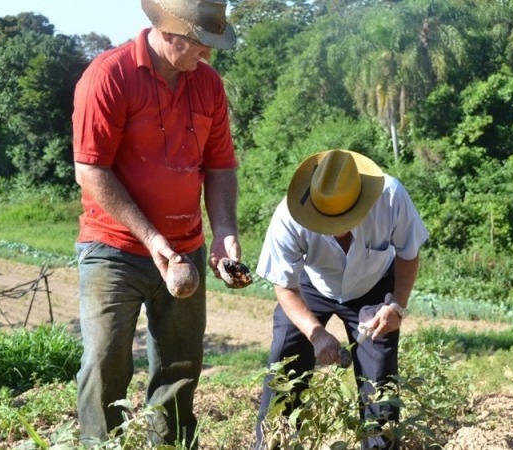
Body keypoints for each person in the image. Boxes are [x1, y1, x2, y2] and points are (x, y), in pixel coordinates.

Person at [71, 0, 242, 447]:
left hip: (186, 246)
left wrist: (224, 233)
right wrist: (152, 239)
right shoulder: (109, 76)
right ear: (170, 33)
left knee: (180, 366)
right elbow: (91, 170)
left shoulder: (207, 84)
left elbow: (221, 166)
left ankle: (171, 446)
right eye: (201, 45)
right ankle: (101, 446)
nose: (207, 55)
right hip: (115, 249)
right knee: (106, 359)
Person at [253, 150, 429, 450]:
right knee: (285, 360)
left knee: (380, 385)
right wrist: (316, 333)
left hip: (374, 286)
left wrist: (397, 306)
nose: (336, 229)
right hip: (311, 285)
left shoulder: (390, 196)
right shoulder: (288, 216)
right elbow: (284, 285)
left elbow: (408, 253)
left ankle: (378, 446)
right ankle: (272, 443)